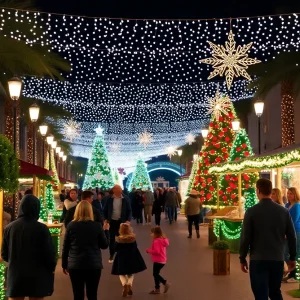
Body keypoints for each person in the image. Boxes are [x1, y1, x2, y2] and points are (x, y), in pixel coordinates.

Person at [239, 178, 297, 299]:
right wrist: (292, 257)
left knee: (261, 294)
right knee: (275, 291)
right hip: (277, 258)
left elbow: (246, 237)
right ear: (271, 191)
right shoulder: (283, 211)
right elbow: (292, 236)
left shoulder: (251, 212)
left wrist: (242, 257)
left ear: (258, 190)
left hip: (258, 259)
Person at [2, 195, 57, 300]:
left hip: (16, 275)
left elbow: (4, 254)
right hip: (37, 275)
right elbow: (49, 253)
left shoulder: (9, 228)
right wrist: (51, 267)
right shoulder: (42, 228)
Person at [62, 200, 110, 300]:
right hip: (93, 264)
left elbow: (66, 246)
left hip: (75, 264)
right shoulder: (97, 226)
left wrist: (64, 264)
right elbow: (104, 245)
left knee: (77, 294)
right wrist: (106, 231)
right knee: (92, 294)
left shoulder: (71, 225)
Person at [111, 223, 146, 297]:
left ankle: (124, 284)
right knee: (131, 273)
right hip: (131, 258)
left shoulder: (119, 239)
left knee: (121, 273)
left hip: (121, 259)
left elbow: (115, 249)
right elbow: (135, 247)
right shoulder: (132, 239)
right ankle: (129, 284)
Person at [103, 184, 132, 263]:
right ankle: (111, 255)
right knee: (111, 239)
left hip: (121, 222)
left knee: (121, 239)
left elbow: (129, 210)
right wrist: (105, 219)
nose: (119, 192)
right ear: (114, 191)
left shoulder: (125, 198)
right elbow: (105, 210)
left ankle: (120, 255)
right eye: (117, 190)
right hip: (111, 221)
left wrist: (128, 220)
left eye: (120, 190)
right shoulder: (109, 198)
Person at [283, 187, 300, 283]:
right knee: (285, 253)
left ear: (295, 195)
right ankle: (290, 271)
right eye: (288, 193)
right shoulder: (287, 204)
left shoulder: (297, 206)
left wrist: (286, 232)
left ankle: (294, 275)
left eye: (291, 193)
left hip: (296, 231)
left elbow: (293, 220)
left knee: (295, 253)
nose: (289, 195)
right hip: (287, 232)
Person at [146, 227, 170, 294]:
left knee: (155, 274)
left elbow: (157, 251)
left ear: (155, 233)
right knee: (156, 274)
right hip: (162, 260)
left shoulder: (156, 241)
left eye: (151, 233)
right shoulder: (162, 240)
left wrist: (148, 250)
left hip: (158, 260)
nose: (150, 234)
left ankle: (164, 283)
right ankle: (157, 288)